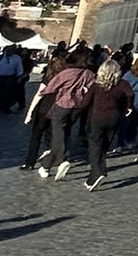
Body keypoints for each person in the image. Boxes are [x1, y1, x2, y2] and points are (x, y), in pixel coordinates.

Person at [29, 51, 95, 180]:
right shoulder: (89, 74)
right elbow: (93, 88)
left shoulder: (66, 73)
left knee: (58, 134)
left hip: (63, 105)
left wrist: (43, 93)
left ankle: (62, 159)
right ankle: (47, 165)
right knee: (64, 133)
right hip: (78, 107)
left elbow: (50, 88)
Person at [80, 61, 133, 191]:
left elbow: (85, 103)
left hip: (97, 118)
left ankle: (97, 171)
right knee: (104, 146)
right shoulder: (122, 84)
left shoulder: (96, 86)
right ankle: (94, 176)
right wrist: (128, 106)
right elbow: (130, 94)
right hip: (114, 118)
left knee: (94, 146)